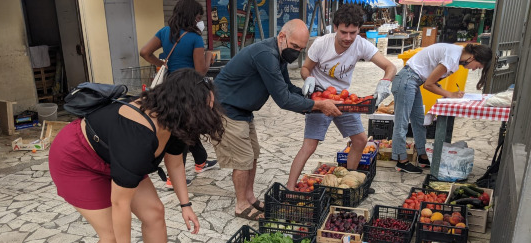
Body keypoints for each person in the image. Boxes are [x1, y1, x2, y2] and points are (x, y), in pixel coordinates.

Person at [49, 69, 224, 243]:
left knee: (154, 212)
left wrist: (186, 205)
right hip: (76, 160)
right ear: (186, 105)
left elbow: (175, 162)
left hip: (113, 154)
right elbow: (121, 203)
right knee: (111, 237)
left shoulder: (175, 119)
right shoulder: (138, 136)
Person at [213, 19, 343, 221]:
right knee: (242, 160)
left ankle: (250, 197)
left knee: (252, 154)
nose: (296, 52)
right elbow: (282, 99)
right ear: (282, 36)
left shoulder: (279, 54)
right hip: (227, 109)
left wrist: (310, 95)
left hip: (243, 110)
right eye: (294, 46)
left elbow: (287, 87)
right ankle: (241, 205)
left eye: (300, 49)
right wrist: (317, 106)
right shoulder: (266, 55)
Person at [287, 4, 397, 190]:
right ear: (335, 27)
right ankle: (289, 188)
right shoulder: (322, 44)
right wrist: (309, 78)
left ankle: (348, 183)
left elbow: (390, 67)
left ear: (358, 30)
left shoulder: (361, 44)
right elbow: (306, 68)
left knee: (360, 140)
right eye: (344, 32)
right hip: (321, 98)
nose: (348, 38)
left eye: (353, 33)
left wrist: (385, 81)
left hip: (345, 101)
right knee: (310, 145)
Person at [140, 0, 218, 189]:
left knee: (186, 127)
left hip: (169, 88)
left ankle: (200, 161)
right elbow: (200, 71)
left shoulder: (164, 32)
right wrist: (208, 57)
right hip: (189, 90)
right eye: (199, 17)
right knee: (181, 132)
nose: (200, 22)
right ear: (192, 17)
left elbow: (144, 52)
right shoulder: (194, 38)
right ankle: (172, 178)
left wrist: (161, 65)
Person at [391, 43, 493, 173]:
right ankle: (401, 161)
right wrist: (450, 94)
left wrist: (448, 94)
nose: (473, 69)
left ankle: (422, 157)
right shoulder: (452, 57)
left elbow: (432, 81)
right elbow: (429, 84)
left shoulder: (456, 56)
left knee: (419, 121)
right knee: (402, 123)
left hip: (413, 81)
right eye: (477, 66)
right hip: (407, 80)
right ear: (473, 57)